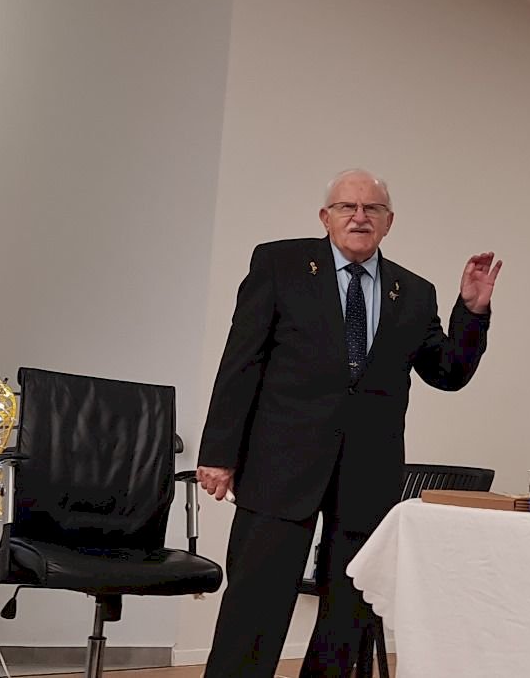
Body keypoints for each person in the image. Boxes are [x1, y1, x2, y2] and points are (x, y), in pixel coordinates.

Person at [197, 169, 501, 677]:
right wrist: (218, 453)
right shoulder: (279, 265)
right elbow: (241, 362)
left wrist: (471, 310)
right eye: (347, 207)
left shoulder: (414, 291)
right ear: (326, 217)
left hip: (367, 474)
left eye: (372, 209)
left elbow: (447, 373)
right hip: (280, 467)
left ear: (389, 222)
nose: (360, 217)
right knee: (254, 609)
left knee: (348, 618)